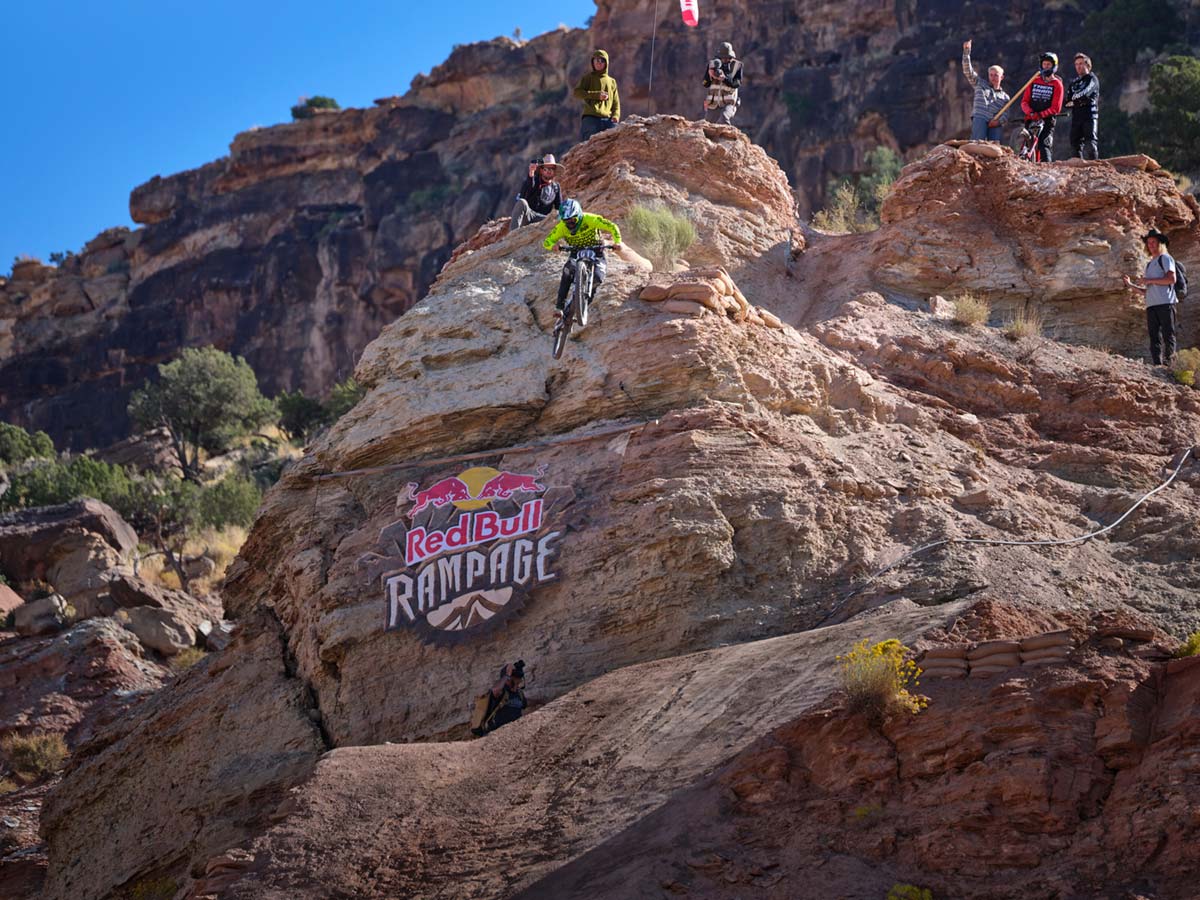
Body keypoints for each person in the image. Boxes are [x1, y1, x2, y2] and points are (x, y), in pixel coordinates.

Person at [542, 199, 622, 321]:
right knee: (567, 270)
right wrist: (553, 246)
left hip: (597, 251)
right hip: (576, 251)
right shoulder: (562, 227)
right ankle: (559, 306)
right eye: (566, 221)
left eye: (573, 220)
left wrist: (617, 242)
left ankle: (582, 307)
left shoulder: (590, 219)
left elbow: (612, 226)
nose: (570, 224)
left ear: (579, 215)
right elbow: (547, 242)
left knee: (598, 278)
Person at [1123, 229, 1179, 366]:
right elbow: (1147, 291)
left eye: (1153, 242)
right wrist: (1130, 285)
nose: (1151, 245)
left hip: (1166, 303)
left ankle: (1169, 366)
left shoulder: (1165, 258)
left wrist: (1149, 280)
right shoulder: (1149, 264)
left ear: (1160, 243)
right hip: (1151, 305)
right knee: (1154, 338)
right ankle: (1157, 366)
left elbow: (1171, 279)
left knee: (1168, 336)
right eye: (1148, 243)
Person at [961, 39, 1010, 141]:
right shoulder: (980, 83)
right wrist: (966, 53)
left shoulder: (1005, 97)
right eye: (991, 75)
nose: (993, 77)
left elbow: (1005, 114)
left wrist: (998, 121)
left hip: (995, 122)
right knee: (977, 142)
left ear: (1002, 77)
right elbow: (968, 71)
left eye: (996, 75)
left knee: (995, 146)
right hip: (980, 117)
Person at [1020, 52, 1065, 162]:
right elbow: (1024, 102)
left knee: (1044, 144)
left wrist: (1041, 115)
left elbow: (1056, 108)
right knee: (1026, 144)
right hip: (1031, 118)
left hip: (1047, 119)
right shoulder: (1033, 80)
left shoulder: (1057, 84)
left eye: (1048, 65)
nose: (1046, 67)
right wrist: (1030, 113)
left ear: (1054, 66)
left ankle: (1046, 169)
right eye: (1044, 64)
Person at [470, 660, 528, 736]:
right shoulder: (501, 692)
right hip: (495, 735)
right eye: (516, 678)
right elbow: (495, 690)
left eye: (520, 678)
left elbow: (527, 704)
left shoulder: (519, 694)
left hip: (514, 735)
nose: (519, 680)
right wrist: (507, 675)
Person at [574, 50, 620, 143]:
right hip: (591, 119)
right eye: (596, 60)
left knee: (614, 144)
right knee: (589, 147)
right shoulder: (588, 78)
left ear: (606, 63)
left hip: (608, 120)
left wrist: (616, 115)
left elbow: (616, 102)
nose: (599, 63)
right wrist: (596, 95)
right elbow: (577, 93)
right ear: (593, 62)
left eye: (602, 60)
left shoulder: (612, 82)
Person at [509, 155, 564, 233]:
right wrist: (531, 172)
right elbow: (529, 186)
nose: (549, 171)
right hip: (529, 215)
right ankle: (513, 235)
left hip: (544, 219)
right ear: (541, 170)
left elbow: (559, 207)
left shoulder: (556, 187)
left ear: (554, 171)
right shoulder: (534, 181)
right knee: (522, 202)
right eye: (546, 168)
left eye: (552, 169)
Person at [1065, 53, 1100, 160]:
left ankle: (1095, 167)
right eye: (1076, 64)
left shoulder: (1092, 79)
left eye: (1081, 63)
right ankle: (1077, 169)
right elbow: (1067, 101)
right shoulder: (1074, 83)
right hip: (1076, 117)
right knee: (1074, 144)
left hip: (1089, 115)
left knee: (1090, 143)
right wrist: (1076, 101)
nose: (1078, 66)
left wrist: (1075, 100)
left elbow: (1086, 93)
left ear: (1088, 65)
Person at [703, 42, 743, 125]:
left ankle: (729, 137)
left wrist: (724, 79)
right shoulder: (712, 65)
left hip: (729, 103)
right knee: (707, 125)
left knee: (724, 118)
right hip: (713, 104)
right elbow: (705, 84)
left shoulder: (737, 66)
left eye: (727, 58)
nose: (725, 60)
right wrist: (709, 76)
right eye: (722, 58)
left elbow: (736, 84)